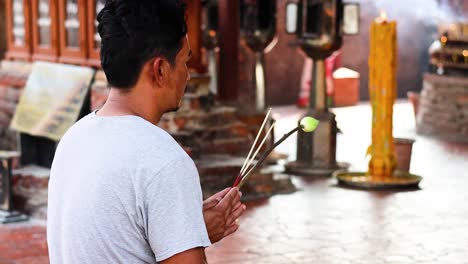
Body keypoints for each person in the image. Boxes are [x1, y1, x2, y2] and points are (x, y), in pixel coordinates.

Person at [47, 1, 246, 263]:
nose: (187, 75)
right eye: (185, 61)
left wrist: (184, 231)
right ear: (160, 69)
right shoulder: (164, 161)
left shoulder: (74, 138)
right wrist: (189, 237)